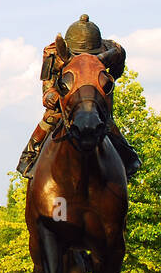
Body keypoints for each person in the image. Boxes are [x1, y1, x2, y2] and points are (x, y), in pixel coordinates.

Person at [16, 13, 142, 179]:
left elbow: (117, 69)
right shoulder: (53, 53)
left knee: (105, 119)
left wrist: (108, 83)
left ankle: (128, 156)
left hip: (94, 90)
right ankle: (29, 155)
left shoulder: (113, 50)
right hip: (66, 90)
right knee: (52, 115)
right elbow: (47, 85)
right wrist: (51, 95)